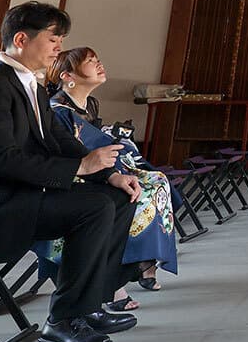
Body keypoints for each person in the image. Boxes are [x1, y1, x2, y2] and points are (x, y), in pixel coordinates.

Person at [0, 2, 141, 342]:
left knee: (116, 197)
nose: (59, 47)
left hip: (15, 198)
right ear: (22, 39)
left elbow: (59, 141)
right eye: (53, 38)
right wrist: (80, 169)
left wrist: (108, 174)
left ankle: (88, 305)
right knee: (93, 208)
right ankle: (61, 323)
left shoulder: (32, 86)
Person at [34, 47, 178, 298]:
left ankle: (142, 262)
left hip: (98, 169)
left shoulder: (89, 103)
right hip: (72, 177)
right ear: (69, 76)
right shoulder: (57, 109)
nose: (100, 65)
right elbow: (66, 154)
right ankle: (114, 275)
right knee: (137, 192)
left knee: (155, 181)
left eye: (98, 60)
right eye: (91, 62)